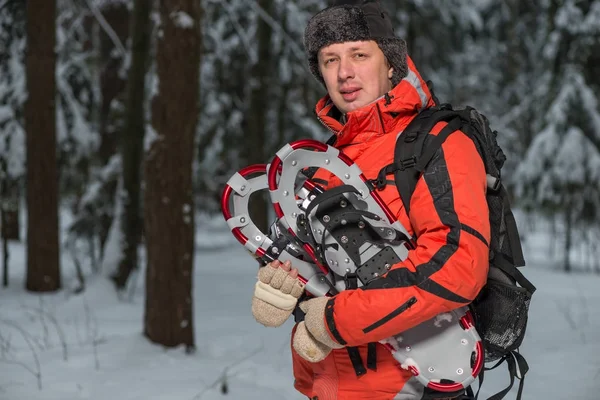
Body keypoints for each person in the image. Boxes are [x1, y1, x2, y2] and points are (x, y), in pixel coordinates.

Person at [251, 1, 491, 399]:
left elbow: (458, 266)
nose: (344, 72)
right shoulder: (323, 168)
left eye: (359, 54)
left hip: (413, 387)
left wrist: (336, 320)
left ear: (392, 63)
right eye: (330, 60)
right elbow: (326, 282)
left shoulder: (438, 143)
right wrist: (288, 295)